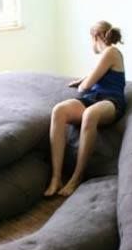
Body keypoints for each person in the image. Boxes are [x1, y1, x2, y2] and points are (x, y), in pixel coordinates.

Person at [44, 20, 127, 197]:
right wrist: (83, 80)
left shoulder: (111, 52)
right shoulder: (106, 56)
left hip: (111, 101)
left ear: (96, 37)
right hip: (93, 98)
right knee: (59, 110)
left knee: (90, 114)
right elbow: (93, 77)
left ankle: (76, 177)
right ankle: (56, 177)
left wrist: (83, 84)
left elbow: (85, 86)